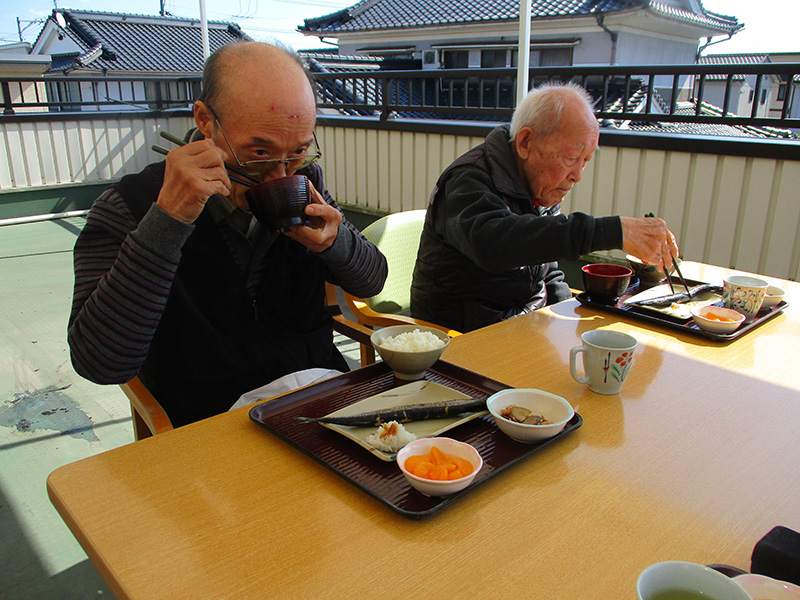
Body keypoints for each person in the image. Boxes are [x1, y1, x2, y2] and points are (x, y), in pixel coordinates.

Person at [68, 42, 388, 427]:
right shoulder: (128, 207)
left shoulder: (303, 183)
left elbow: (373, 279)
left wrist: (337, 243)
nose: (280, 177)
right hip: (206, 424)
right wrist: (169, 220)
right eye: (258, 154)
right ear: (205, 120)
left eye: (299, 152)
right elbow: (99, 362)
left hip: (316, 401)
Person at [410, 82, 678, 332]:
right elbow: (495, 244)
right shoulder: (468, 179)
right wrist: (613, 231)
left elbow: (548, 272)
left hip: (523, 329)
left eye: (585, 161)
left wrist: (571, 324)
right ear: (526, 142)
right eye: (571, 158)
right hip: (460, 339)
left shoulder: (537, 185)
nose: (578, 175)